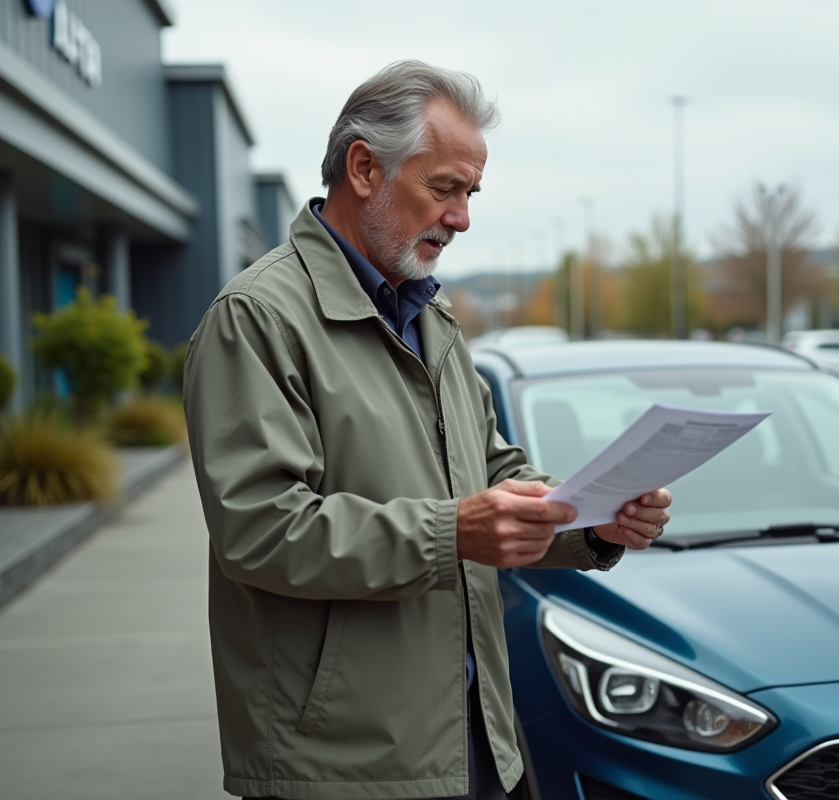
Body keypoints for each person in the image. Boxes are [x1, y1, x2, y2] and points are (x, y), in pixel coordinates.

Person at [183, 60, 672, 800]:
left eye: (470, 193)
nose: (463, 217)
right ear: (364, 169)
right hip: (339, 767)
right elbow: (259, 530)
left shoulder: (430, 317)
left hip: (470, 739)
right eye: (445, 188)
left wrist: (600, 520)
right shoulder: (257, 317)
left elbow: (495, 474)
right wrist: (452, 534)